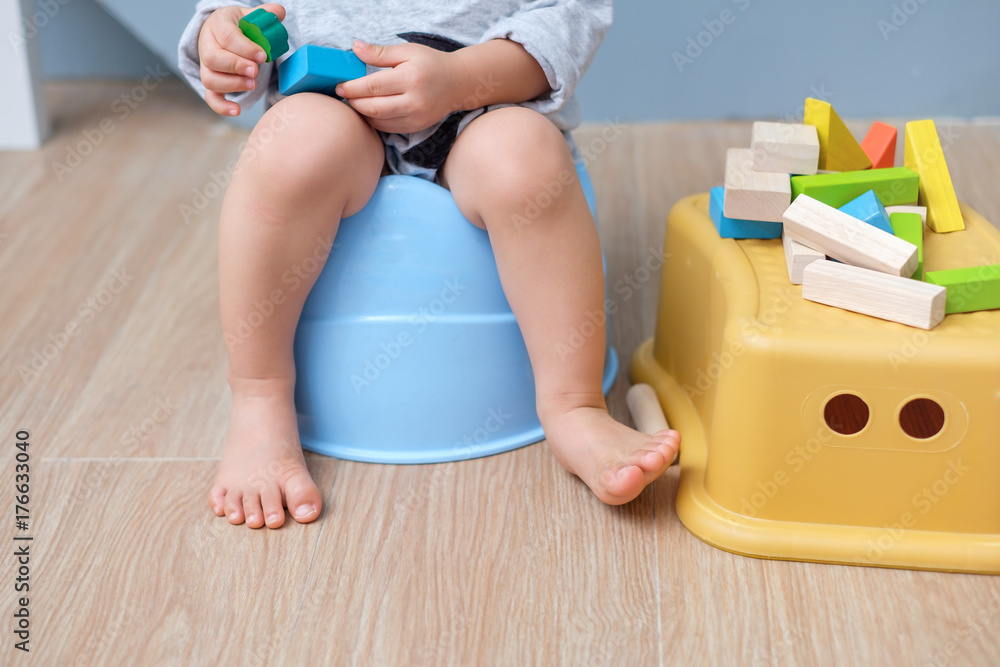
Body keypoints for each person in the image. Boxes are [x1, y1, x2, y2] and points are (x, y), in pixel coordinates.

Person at [177, 0, 680, 529]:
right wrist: (224, 42)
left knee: (525, 157)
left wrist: (463, 78)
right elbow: (231, 20)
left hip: (486, 109)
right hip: (327, 117)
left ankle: (574, 407)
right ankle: (259, 395)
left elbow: (565, 17)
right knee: (289, 148)